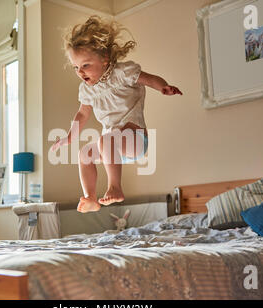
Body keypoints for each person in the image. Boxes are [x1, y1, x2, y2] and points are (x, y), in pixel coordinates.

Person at [51, 16, 183, 213]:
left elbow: (149, 79)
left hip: (135, 140)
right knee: (85, 153)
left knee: (106, 139)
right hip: (112, 148)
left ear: (104, 60)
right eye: (75, 67)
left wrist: (163, 86)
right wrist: (71, 136)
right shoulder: (87, 90)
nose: (80, 72)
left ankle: (115, 186)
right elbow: (82, 114)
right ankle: (91, 198)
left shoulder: (123, 73)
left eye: (85, 65)